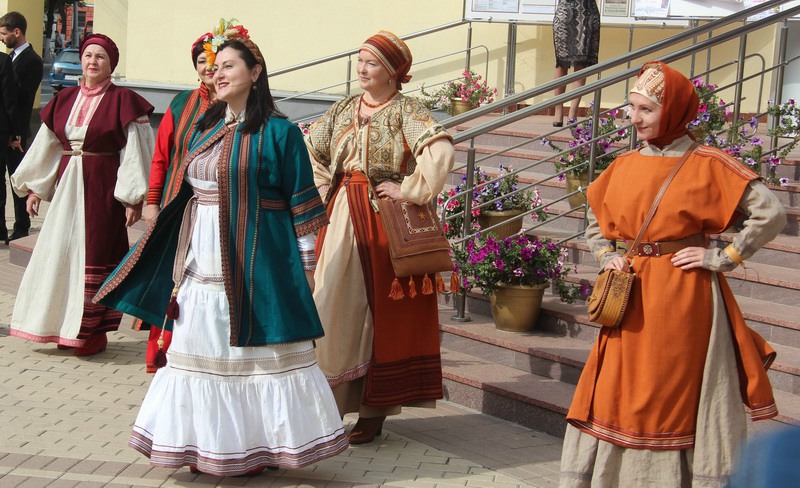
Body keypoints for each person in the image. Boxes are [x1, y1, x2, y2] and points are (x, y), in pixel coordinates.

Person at [94, 24, 348, 476]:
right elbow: (183, 189)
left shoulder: (281, 133)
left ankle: (256, 449)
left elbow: (303, 206)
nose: (219, 74)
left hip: (259, 264)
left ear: (255, 72)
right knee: (200, 348)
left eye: (229, 66)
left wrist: (307, 268)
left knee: (255, 357)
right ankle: (202, 445)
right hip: (202, 261)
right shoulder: (206, 127)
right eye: (216, 68)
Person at [559, 61, 787, 487]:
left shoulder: (710, 163)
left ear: (675, 110)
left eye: (646, 109)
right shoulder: (624, 164)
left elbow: (771, 213)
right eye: (631, 107)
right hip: (629, 295)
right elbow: (595, 219)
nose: (634, 118)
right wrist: (605, 255)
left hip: (682, 295)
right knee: (621, 387)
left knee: (669, 390)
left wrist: (724, 257)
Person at [306, 30, 456, 445]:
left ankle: (373, 410)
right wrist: (321, 191)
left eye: (371, 63)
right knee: (329, 304)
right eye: (360, 60)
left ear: (392, 72)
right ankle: (324, 405)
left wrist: (409, 189)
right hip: (340, 214)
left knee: (378, 315)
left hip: (381, 221)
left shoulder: (408, 110)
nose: (362, 69)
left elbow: (440, 151)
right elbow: (313, 151)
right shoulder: (343, 108)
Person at [9, 34, 154, 356]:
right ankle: (60, 326)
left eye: (100, 57)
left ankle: (91, 332)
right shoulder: (64, 99)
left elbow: (136, 153)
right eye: (88, 55)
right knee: (61, 250)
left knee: (95, 254)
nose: (92, 62)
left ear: (111, 65)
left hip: (102, 187)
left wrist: (132, 197)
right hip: (67, 188)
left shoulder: (124, 101)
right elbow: (46, 147)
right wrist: (34, 189)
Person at [138, 30, 218, 374]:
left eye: (215, 61)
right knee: (173, 277)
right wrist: (152, 201)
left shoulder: (239, 105)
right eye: (202, 61)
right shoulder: (180, 103)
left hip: (217, 209)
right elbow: (161, 157)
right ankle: (162, 353)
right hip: (177, 207)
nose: (209, 68)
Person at [0, 11, 44, 243]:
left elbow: (23, 101)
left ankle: (21, 226)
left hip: (16, 131)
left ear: (16, 32)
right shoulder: (11, 57)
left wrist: (16, 132)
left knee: (18, 180)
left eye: (4, 34)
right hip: (5, 129)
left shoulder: (32, 60)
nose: (1, 38)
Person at [551, 0, 600, 126]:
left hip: (588, 12)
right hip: (566, 12)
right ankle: (558, 110)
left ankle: (573, 112)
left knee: (581, 63)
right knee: (562, 62)